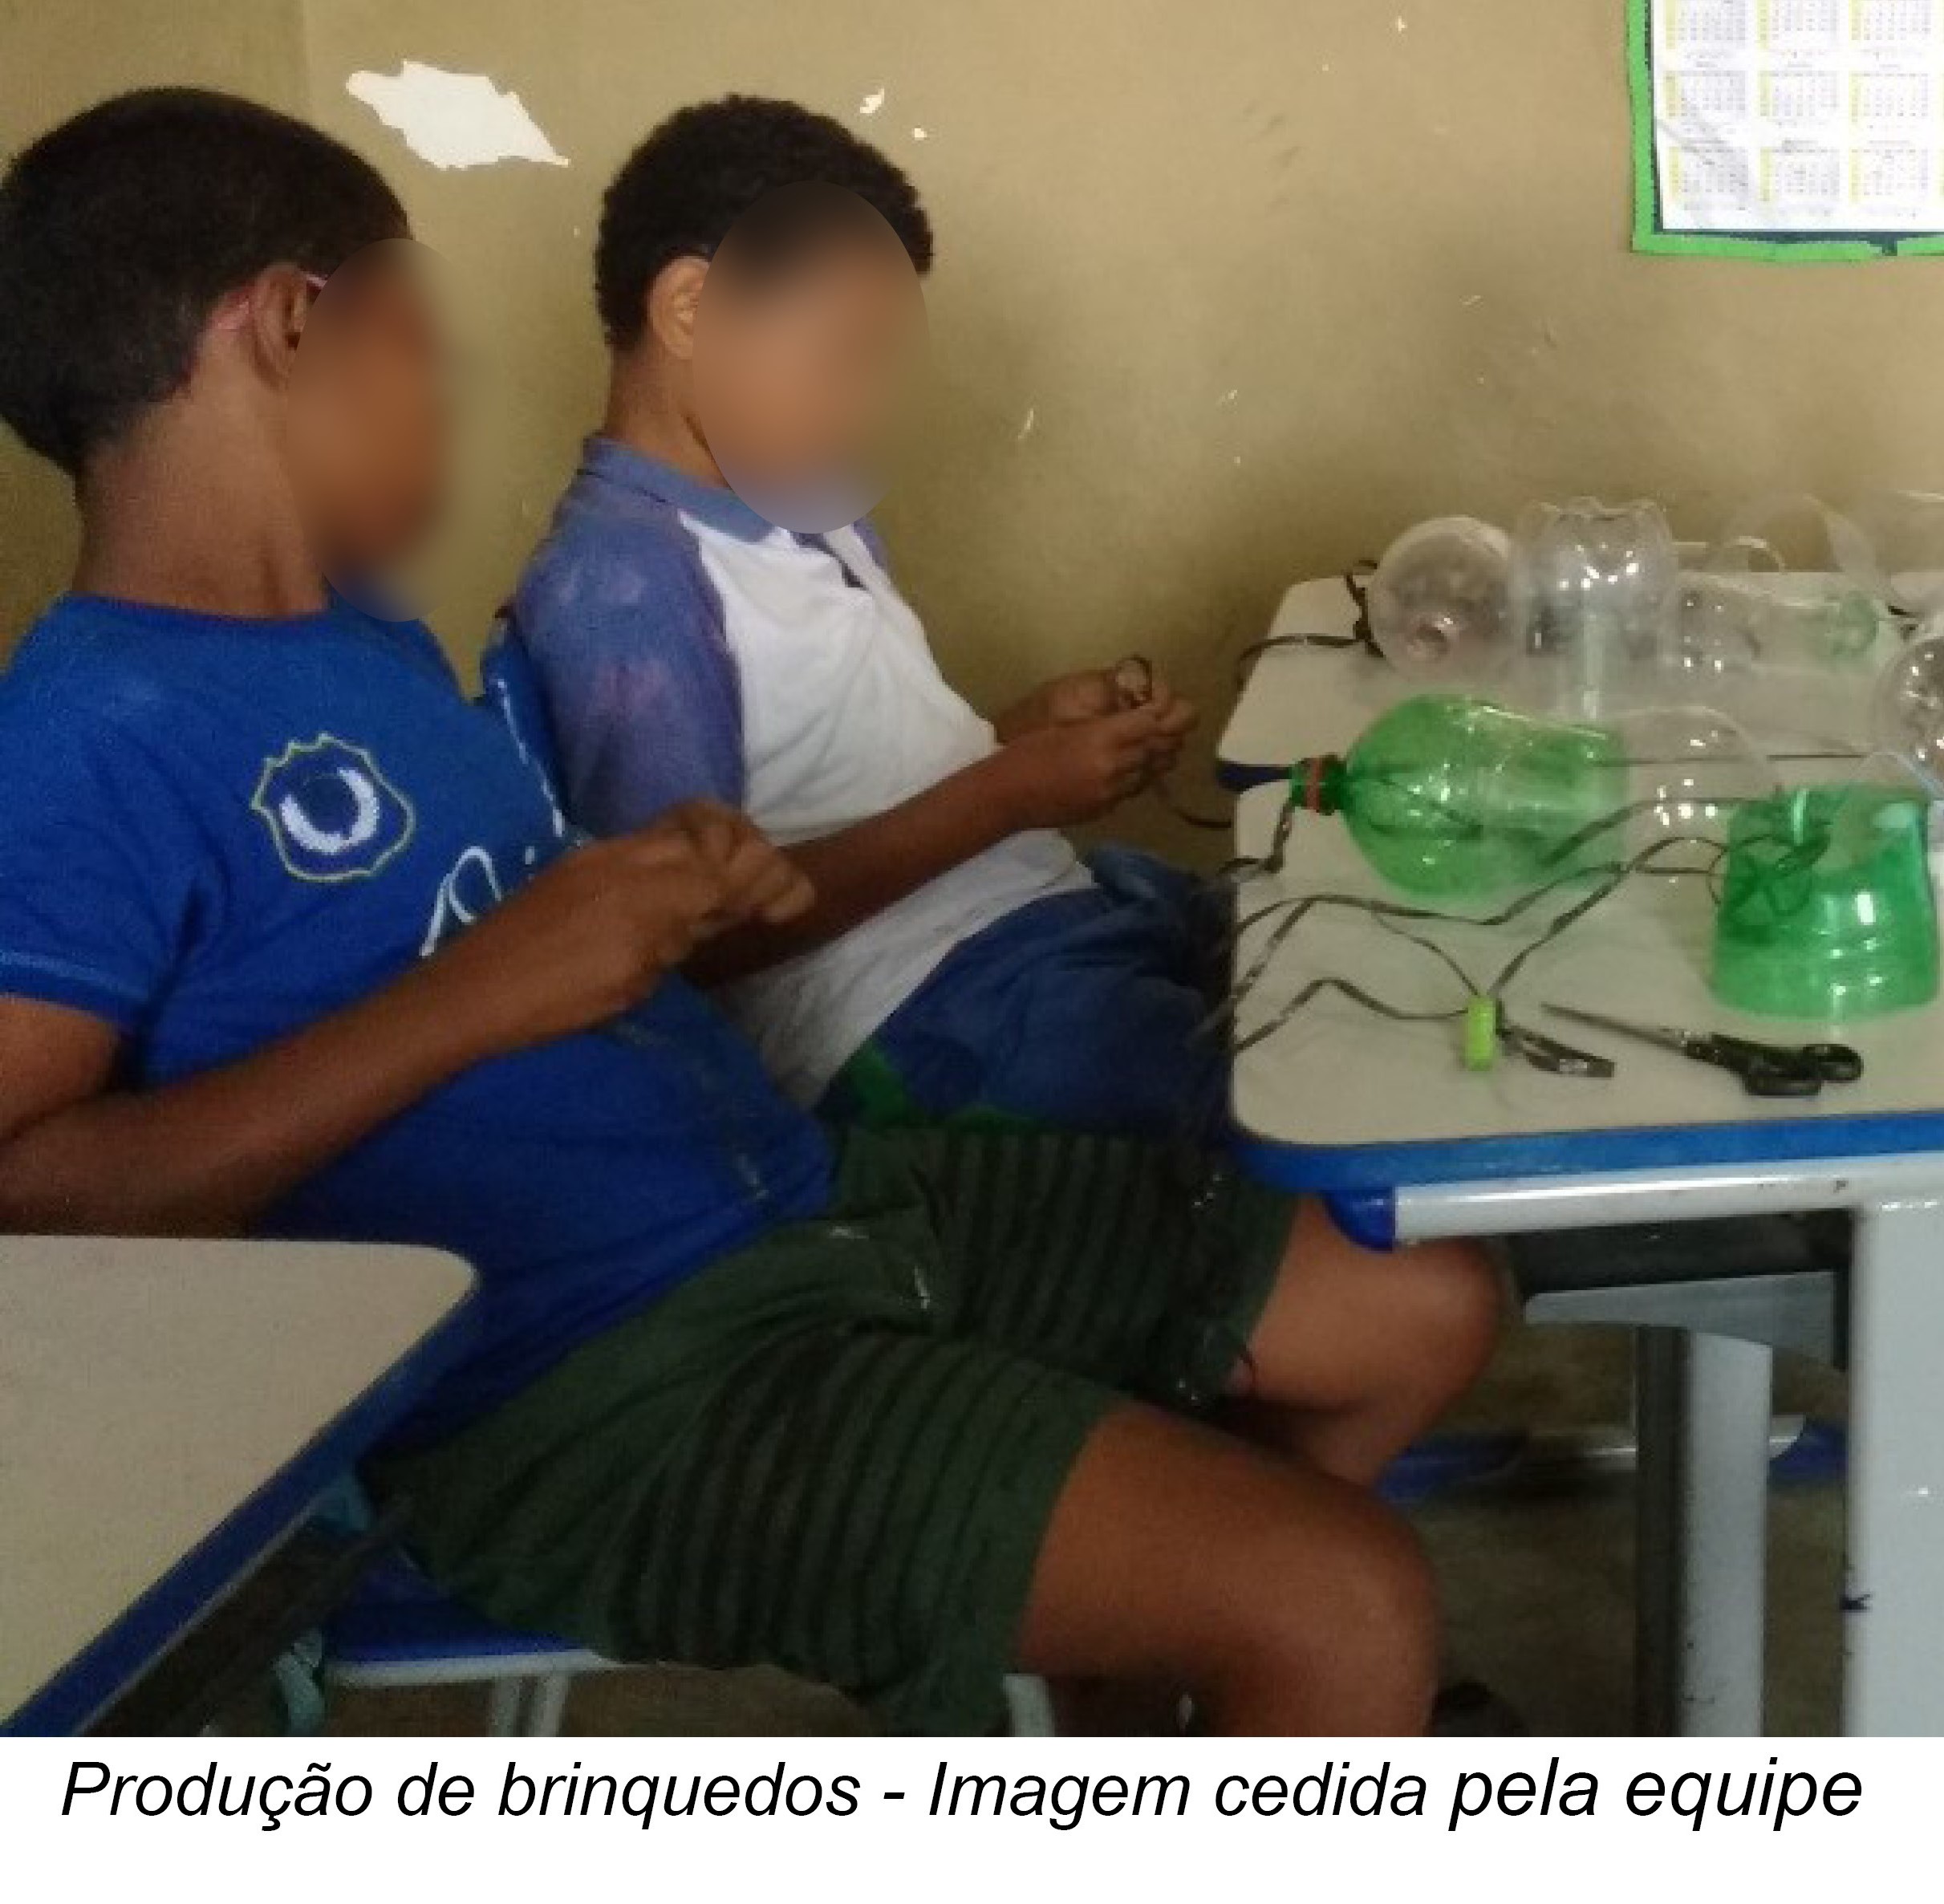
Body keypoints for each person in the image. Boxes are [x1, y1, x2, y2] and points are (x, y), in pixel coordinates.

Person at [0, 87, 1498, 1736]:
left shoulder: (361, 640)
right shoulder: (84, 732)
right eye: (420, 341)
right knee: (1347, 1598)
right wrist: (492, 986)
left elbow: (519, 922)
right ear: (292, 324)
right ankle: (1207, 1644)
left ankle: (1142, 1673)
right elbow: (28, 1203)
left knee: (1422, 1297)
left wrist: (661, 885)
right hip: (589, 1379)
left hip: (803, 1200)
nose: (451, 395)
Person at [513, 96, 1232, 1139]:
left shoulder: (812, 513)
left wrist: (1021, 736)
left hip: (1040, 917)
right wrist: (1007, 792)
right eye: (844, 356)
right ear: (690, 309)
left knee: (1320, 940)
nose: (865, 405)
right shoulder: (623, 581)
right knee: (1288, 1107)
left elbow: (841, 774)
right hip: (914, 1013)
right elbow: (689, 935)